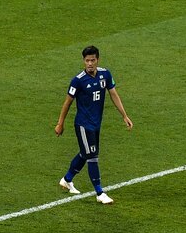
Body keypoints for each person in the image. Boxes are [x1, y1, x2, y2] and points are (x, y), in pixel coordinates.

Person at [54, 45, 133, 205]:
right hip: (83, 124)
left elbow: (113, 94)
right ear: (83, 61)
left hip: (96, 124)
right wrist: (60, 123)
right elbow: (67, 102)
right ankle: (99, 192)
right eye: (87, 60)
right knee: (93, 156)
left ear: (97, 60)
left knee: (86, 153)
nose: (90, 63)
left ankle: (67, 179)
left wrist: (124, 115)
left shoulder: (105, 74)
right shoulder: (78, 80)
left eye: (93, 60)